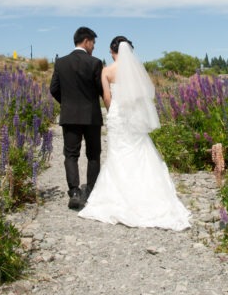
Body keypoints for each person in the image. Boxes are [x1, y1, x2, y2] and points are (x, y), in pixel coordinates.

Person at [79, 36, 191, 231]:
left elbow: (106, 97)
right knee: (139, 151)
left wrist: (113, 111)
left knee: (117, 154)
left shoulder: (107, 71)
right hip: (134, 116)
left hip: (117, 116)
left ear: (113, 52)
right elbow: (143, 95)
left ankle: (119, 196)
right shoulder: (136, 72)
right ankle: (147, 195)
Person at [50, 27, 104, 210]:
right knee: (93, 154)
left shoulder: (61, 63)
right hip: (91, 116)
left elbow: (53, 89)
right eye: (93, 43)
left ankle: (74, 192)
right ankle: (90, 191)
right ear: (86, 41)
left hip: (70, 115)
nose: (94, 47)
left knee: (71, 155)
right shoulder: (95, 63)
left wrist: (66, 104)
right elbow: (101, 90)